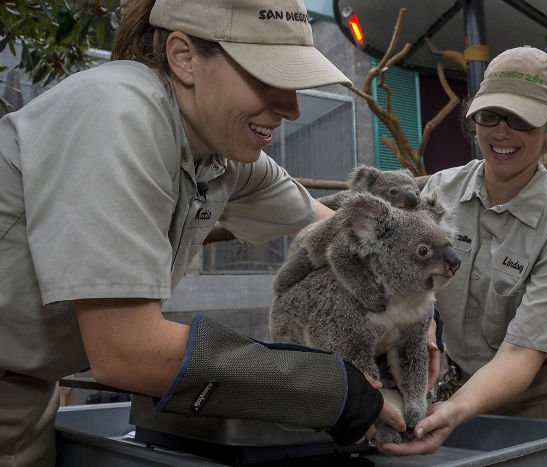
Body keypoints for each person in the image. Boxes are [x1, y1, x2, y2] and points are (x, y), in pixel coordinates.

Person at [0, 1, 405, 465]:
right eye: (269, 78)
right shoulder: (117, 110)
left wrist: (408, 311)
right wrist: (329, 388)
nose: (291, 108)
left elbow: (328, 229)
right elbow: (127, 350)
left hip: (30, 402)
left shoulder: (220, 153)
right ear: (184, 57)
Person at [379, 46, 547, 465]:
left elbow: (521, 355)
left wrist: (452, 410)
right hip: (469, 395)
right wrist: (418, 321)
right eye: (489, 116)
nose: (501, 133)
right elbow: (400, 277)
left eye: (521, 120)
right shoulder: (438, 193)